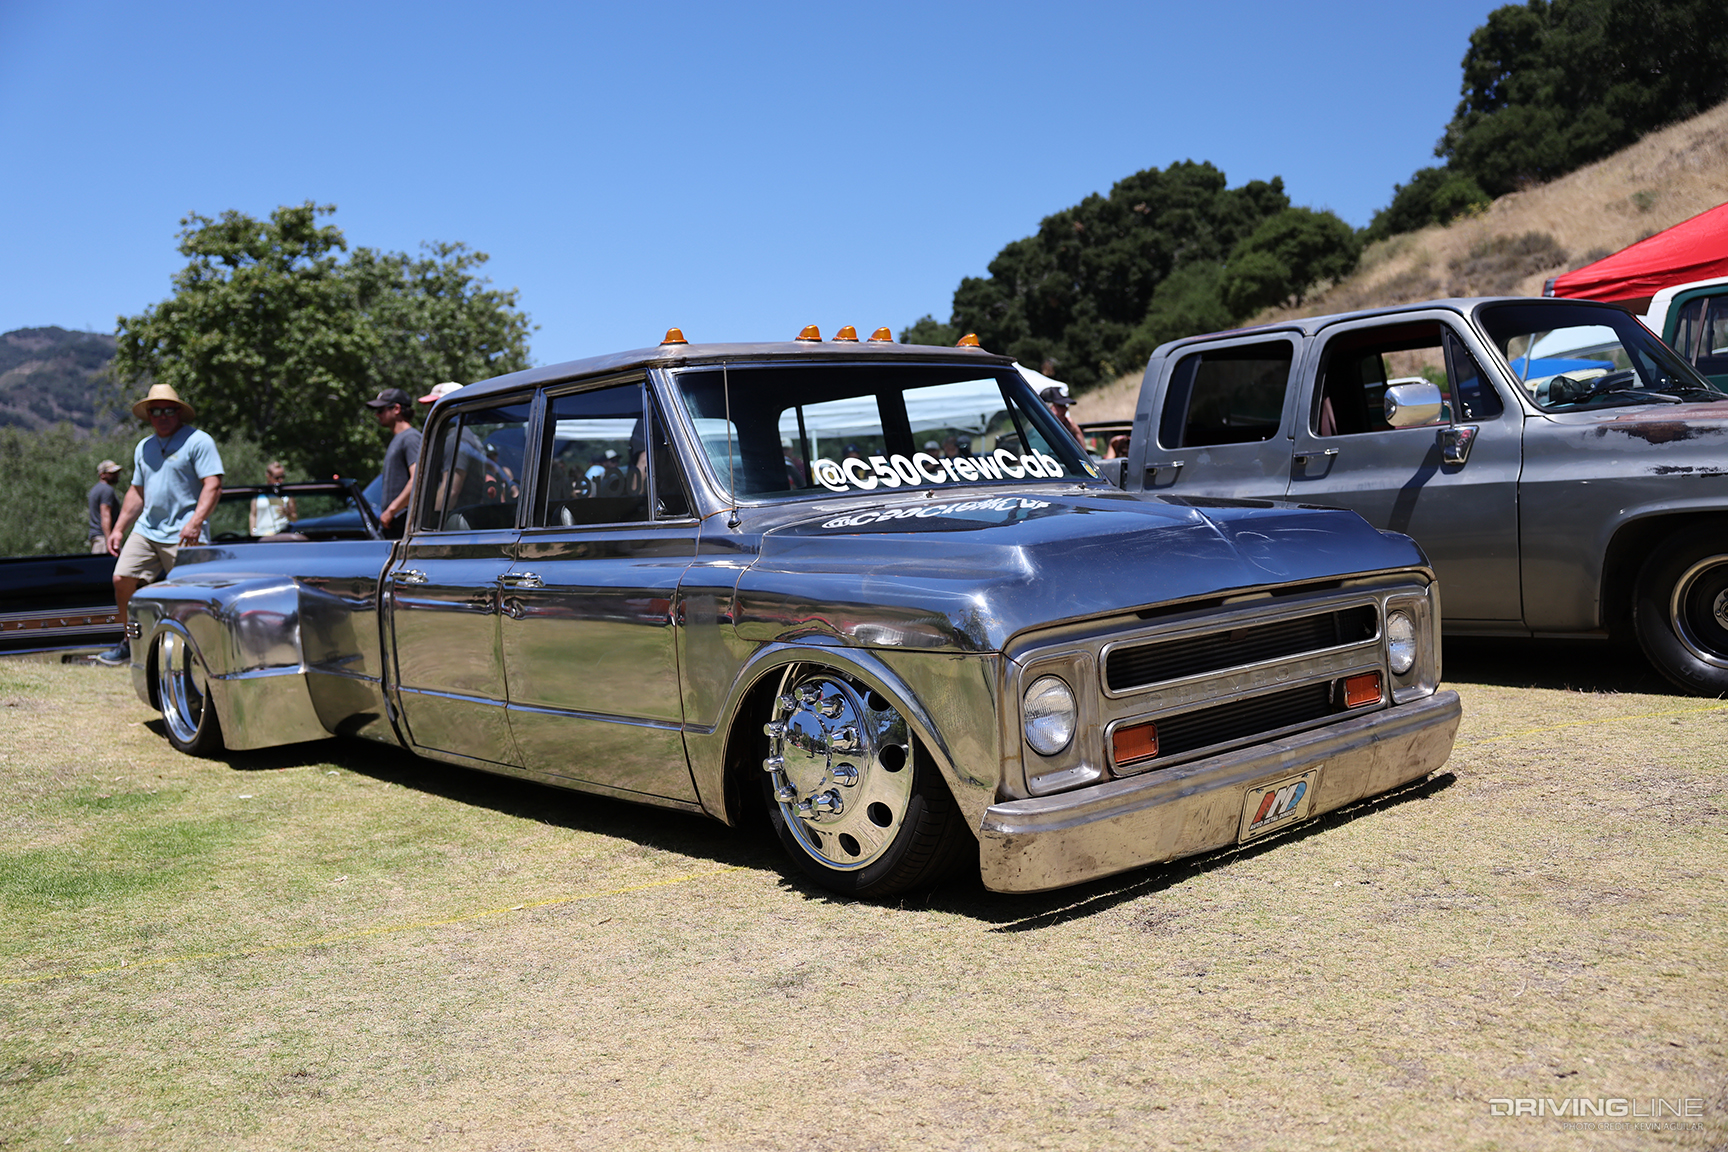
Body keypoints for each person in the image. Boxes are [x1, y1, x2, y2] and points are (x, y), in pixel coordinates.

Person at [94, 384, 224, 666]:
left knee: (192, 594)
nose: (162, 416)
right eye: (156, 411)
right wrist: (118, 528)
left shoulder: (198, 441)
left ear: (179, 412)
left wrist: (195, 522)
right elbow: (136, 491)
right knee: (122, 578)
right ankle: (131, 642)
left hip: (185, 533)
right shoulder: (144, 447)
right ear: (149, 415)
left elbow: (213, 485)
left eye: (168, 410)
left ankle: (200, 652)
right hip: (148, 529)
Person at [366, 388, 420, 535]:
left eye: (381, 410)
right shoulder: (399, 438)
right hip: (394, 524)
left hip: (403, 524)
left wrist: (391, 511)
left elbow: (417, 479)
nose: (377, 415)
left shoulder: (411, 438)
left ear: (396, 409)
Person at [249, 461, 296, 536]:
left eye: (282, 477)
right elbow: (253, 515)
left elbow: (294, 518)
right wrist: (252, 532)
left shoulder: (287, 495)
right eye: (277, 478)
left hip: (281, 535)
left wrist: (287, 513)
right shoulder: (258, 494)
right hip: (261, 536)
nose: (280, 480)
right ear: (268, 476)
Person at [86, 460, 122, 554]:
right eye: (112, 473)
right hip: (103, 538)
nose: (116, 475)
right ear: (102, 475)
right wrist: (109, 539)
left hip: (98, 537)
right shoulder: (107, 490)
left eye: (116, 473)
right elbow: (105, 515)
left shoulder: (96, 489)